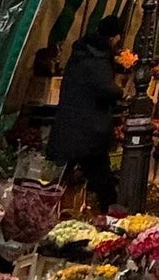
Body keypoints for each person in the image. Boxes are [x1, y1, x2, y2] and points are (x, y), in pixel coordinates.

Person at [47, 15, 126, 209]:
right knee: (102, 179)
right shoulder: (98, 58)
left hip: (69, 125)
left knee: (65, 175)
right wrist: (120, 92)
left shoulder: (80, 54)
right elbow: (105, 89)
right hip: (89, 131)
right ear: (113, 37)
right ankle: (108, 214)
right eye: (118, 37)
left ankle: (55, 209)